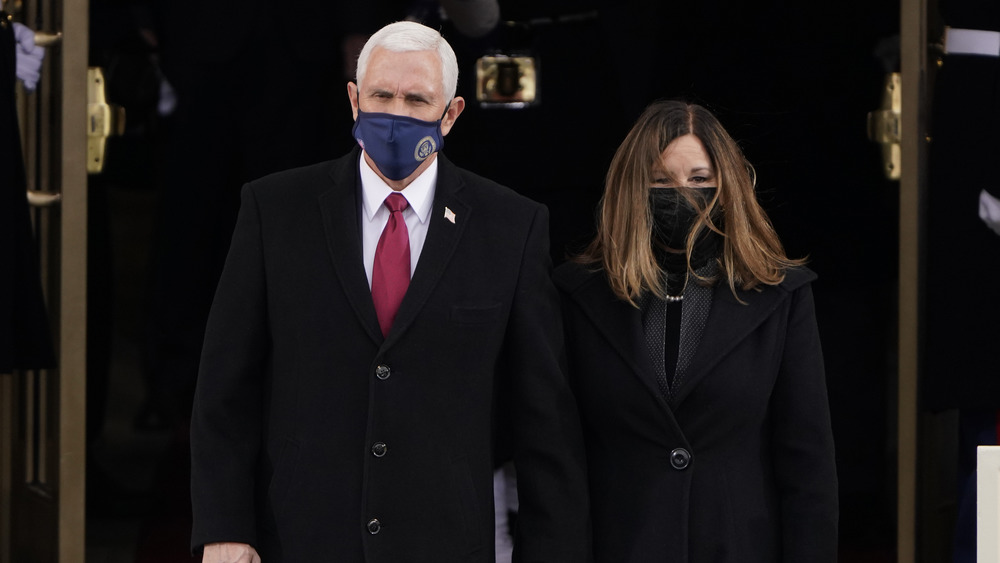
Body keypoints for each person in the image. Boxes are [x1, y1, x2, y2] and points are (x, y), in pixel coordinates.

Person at [189, 21, 589, 563]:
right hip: (300, 536)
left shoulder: (510, 228)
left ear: (451, 113)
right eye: (381, 95)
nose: (396, 115)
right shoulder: (276, 211)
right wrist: (225, 527)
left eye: (417, 99)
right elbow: (225, 387)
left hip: (444, 542)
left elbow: (544, 421)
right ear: (354, 100)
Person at [554, 100, 838, 562]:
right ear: (632, 187)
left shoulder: (779, 296)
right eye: (661, 180)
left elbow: (807, 464)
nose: (682, 194)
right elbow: (560, 459)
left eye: (700, 179)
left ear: (726, 186)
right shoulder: (578, 296)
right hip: (620, 544)